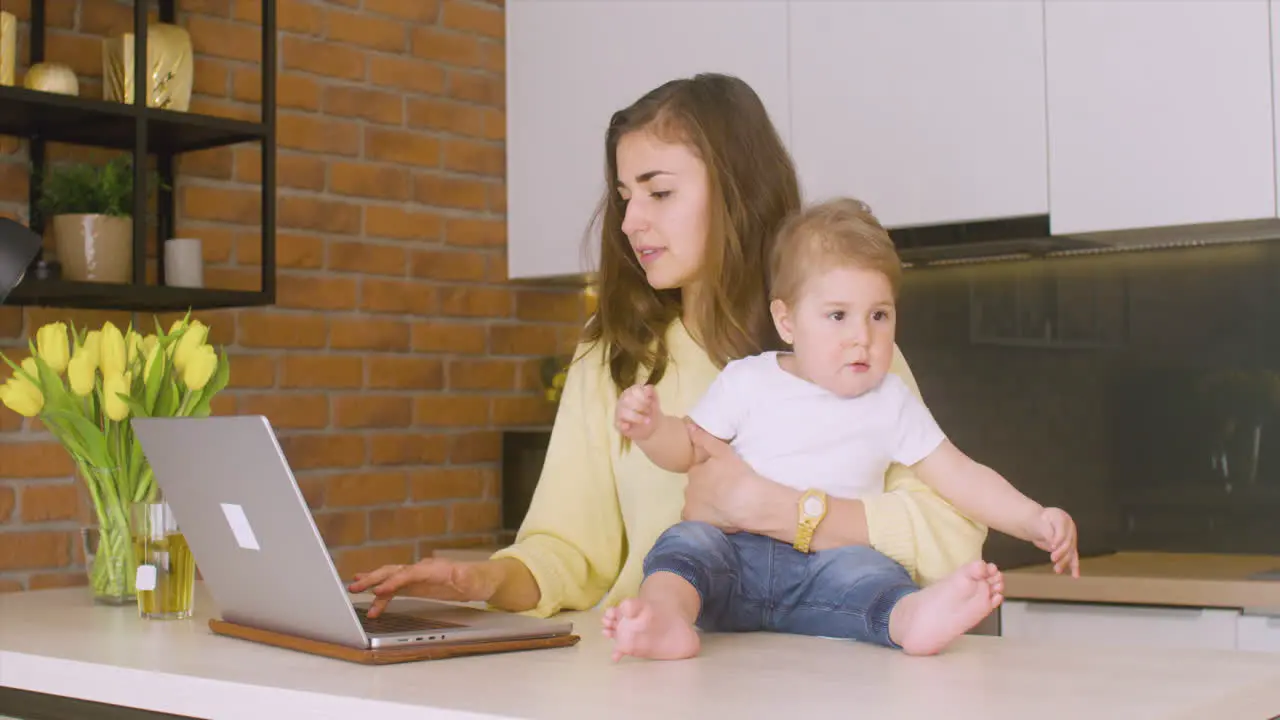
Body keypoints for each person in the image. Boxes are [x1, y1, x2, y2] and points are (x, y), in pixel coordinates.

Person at [347, 72, 1005, 635]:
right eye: (626, 196)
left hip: (828, 681)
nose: (631, 221)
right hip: (660, 677)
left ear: (736, 191)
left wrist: (779, 510)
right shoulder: (613, 358)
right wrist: (481, 580)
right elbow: (568, 551)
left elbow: (952, 536)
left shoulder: (850, 351)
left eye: (659, 192)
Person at [602, 197, 1080, 661]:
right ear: (786, 321)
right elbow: (687, 449)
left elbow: (959, 474)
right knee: (684, 545)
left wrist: (1034, 519)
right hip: (735, 554)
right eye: (837, 315)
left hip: (826, 563)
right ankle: (666, 619)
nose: (862, 337)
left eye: (879, 315)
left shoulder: (890, 400)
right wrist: (651, 429)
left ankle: (911, 619)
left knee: (874, 571)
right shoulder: (749, 380)